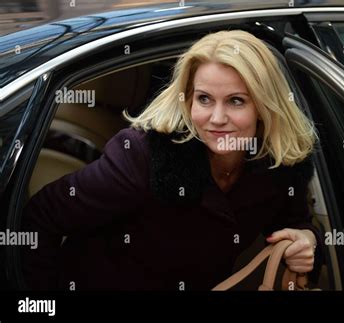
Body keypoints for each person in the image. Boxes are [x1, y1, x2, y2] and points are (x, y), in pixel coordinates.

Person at [21, 29, 321, 291]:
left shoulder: (278, 166)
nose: (217, 119)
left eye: (236, 101)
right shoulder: (142, 155)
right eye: (204, 99)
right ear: (188, 99)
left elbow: (296, 223)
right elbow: (40, 217)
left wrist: (307, 240)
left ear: (264, 107)